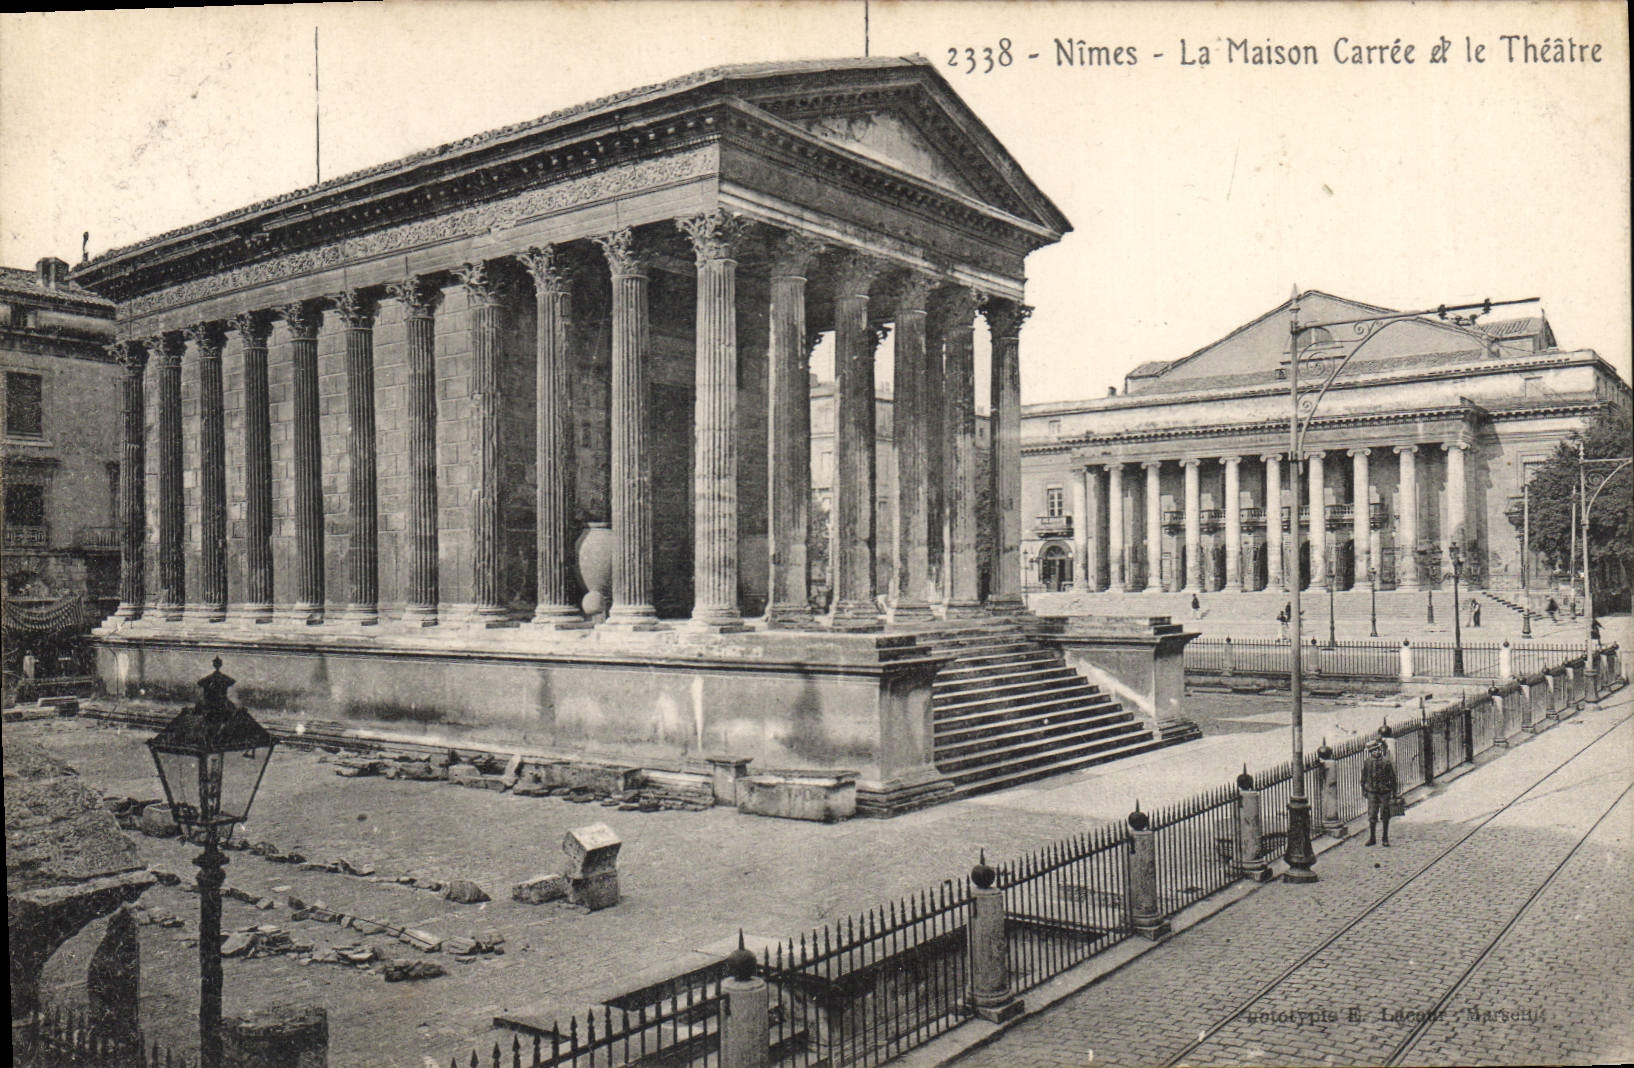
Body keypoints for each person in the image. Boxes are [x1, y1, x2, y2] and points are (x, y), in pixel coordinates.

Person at [1361, 736, 1398, 847]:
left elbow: (1392, 778)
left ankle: (1385, 838)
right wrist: (1364, 789)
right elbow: (1363, 777)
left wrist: (1394, 793)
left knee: (1385, 815)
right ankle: (1372, 838)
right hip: (1372, 792)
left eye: (1377, 750)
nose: (1376, 752)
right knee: (1372, 816)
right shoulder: (1367, 762)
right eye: (1373, 751)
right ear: (1370, 752)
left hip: (1384, 793)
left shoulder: (1386, 762)